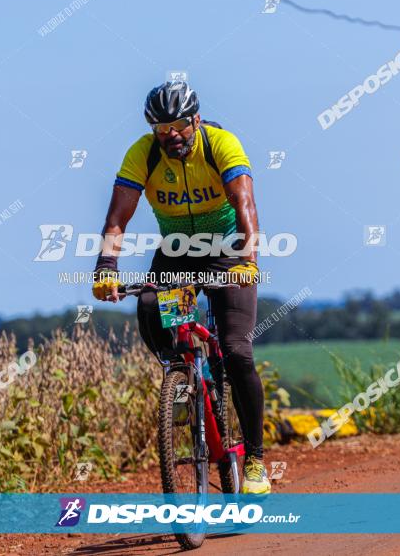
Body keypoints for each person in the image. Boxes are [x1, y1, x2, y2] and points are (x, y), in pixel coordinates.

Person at [91, 81, 270, 494]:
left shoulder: (221, 144)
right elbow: (118, 217)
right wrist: (106, 266)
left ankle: (257, 459)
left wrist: (248, 261)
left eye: (179, 126)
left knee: (238, 351)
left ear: (196, 119)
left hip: (228, 251)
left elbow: (245, 204)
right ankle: (183, 373)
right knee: (151, 306)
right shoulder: (143, 154)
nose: (171, 135)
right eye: (161, 128)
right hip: (177, 254)